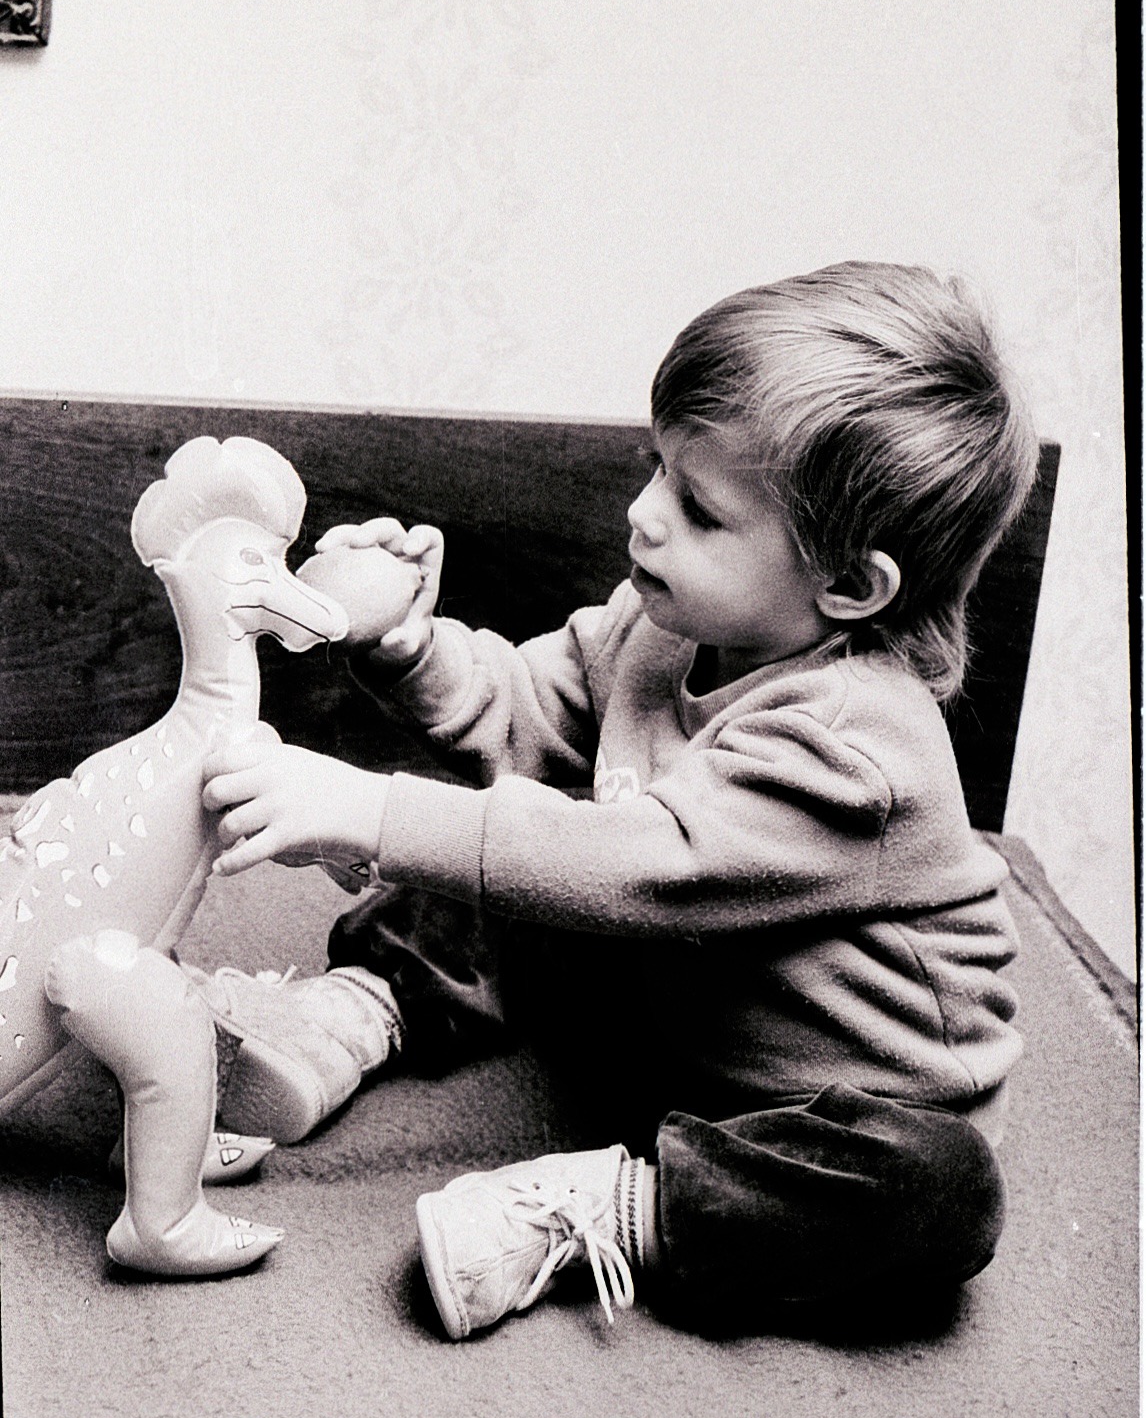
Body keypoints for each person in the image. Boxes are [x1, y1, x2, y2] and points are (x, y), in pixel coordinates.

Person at [195, 261, 1039, 1339]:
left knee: (937, 1196)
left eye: (697, 506)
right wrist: (405, 644)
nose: (642, 514)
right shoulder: (665, 631)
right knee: (521, 820)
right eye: (656, 466)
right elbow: (522, 712)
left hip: (822, 1105)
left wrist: (370, 813)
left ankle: (621, 1210)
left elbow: (643, 867)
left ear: (850, 587)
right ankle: (362, 1012)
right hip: (679, 1006)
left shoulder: (856, 750)